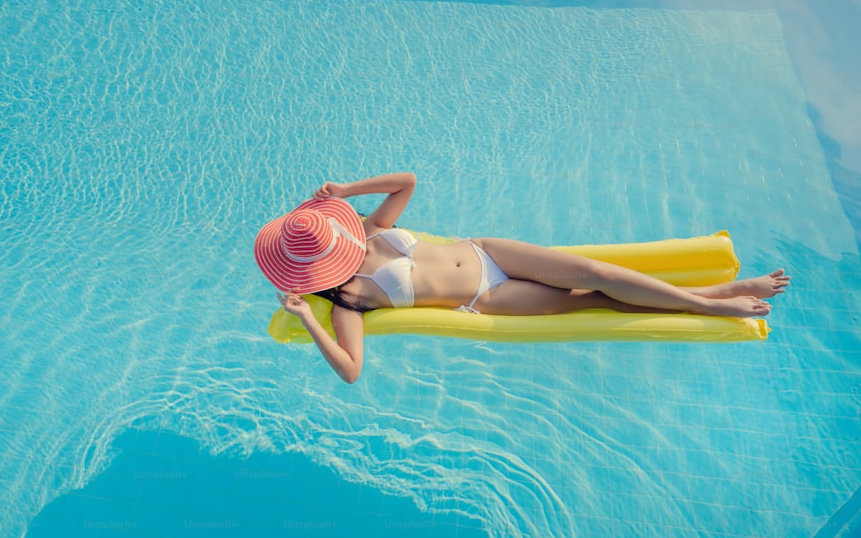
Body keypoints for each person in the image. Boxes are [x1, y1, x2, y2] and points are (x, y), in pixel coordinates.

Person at [254, 172, 790, 383]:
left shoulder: (368, 232)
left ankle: (712, 296)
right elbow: (351, 370)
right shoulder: (349, 304)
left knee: (598, 273)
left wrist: (348, 190)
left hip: (490, 251)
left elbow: (408, 182)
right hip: (489, 295)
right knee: (592, 299)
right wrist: (307, 316)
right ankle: (714, 301)